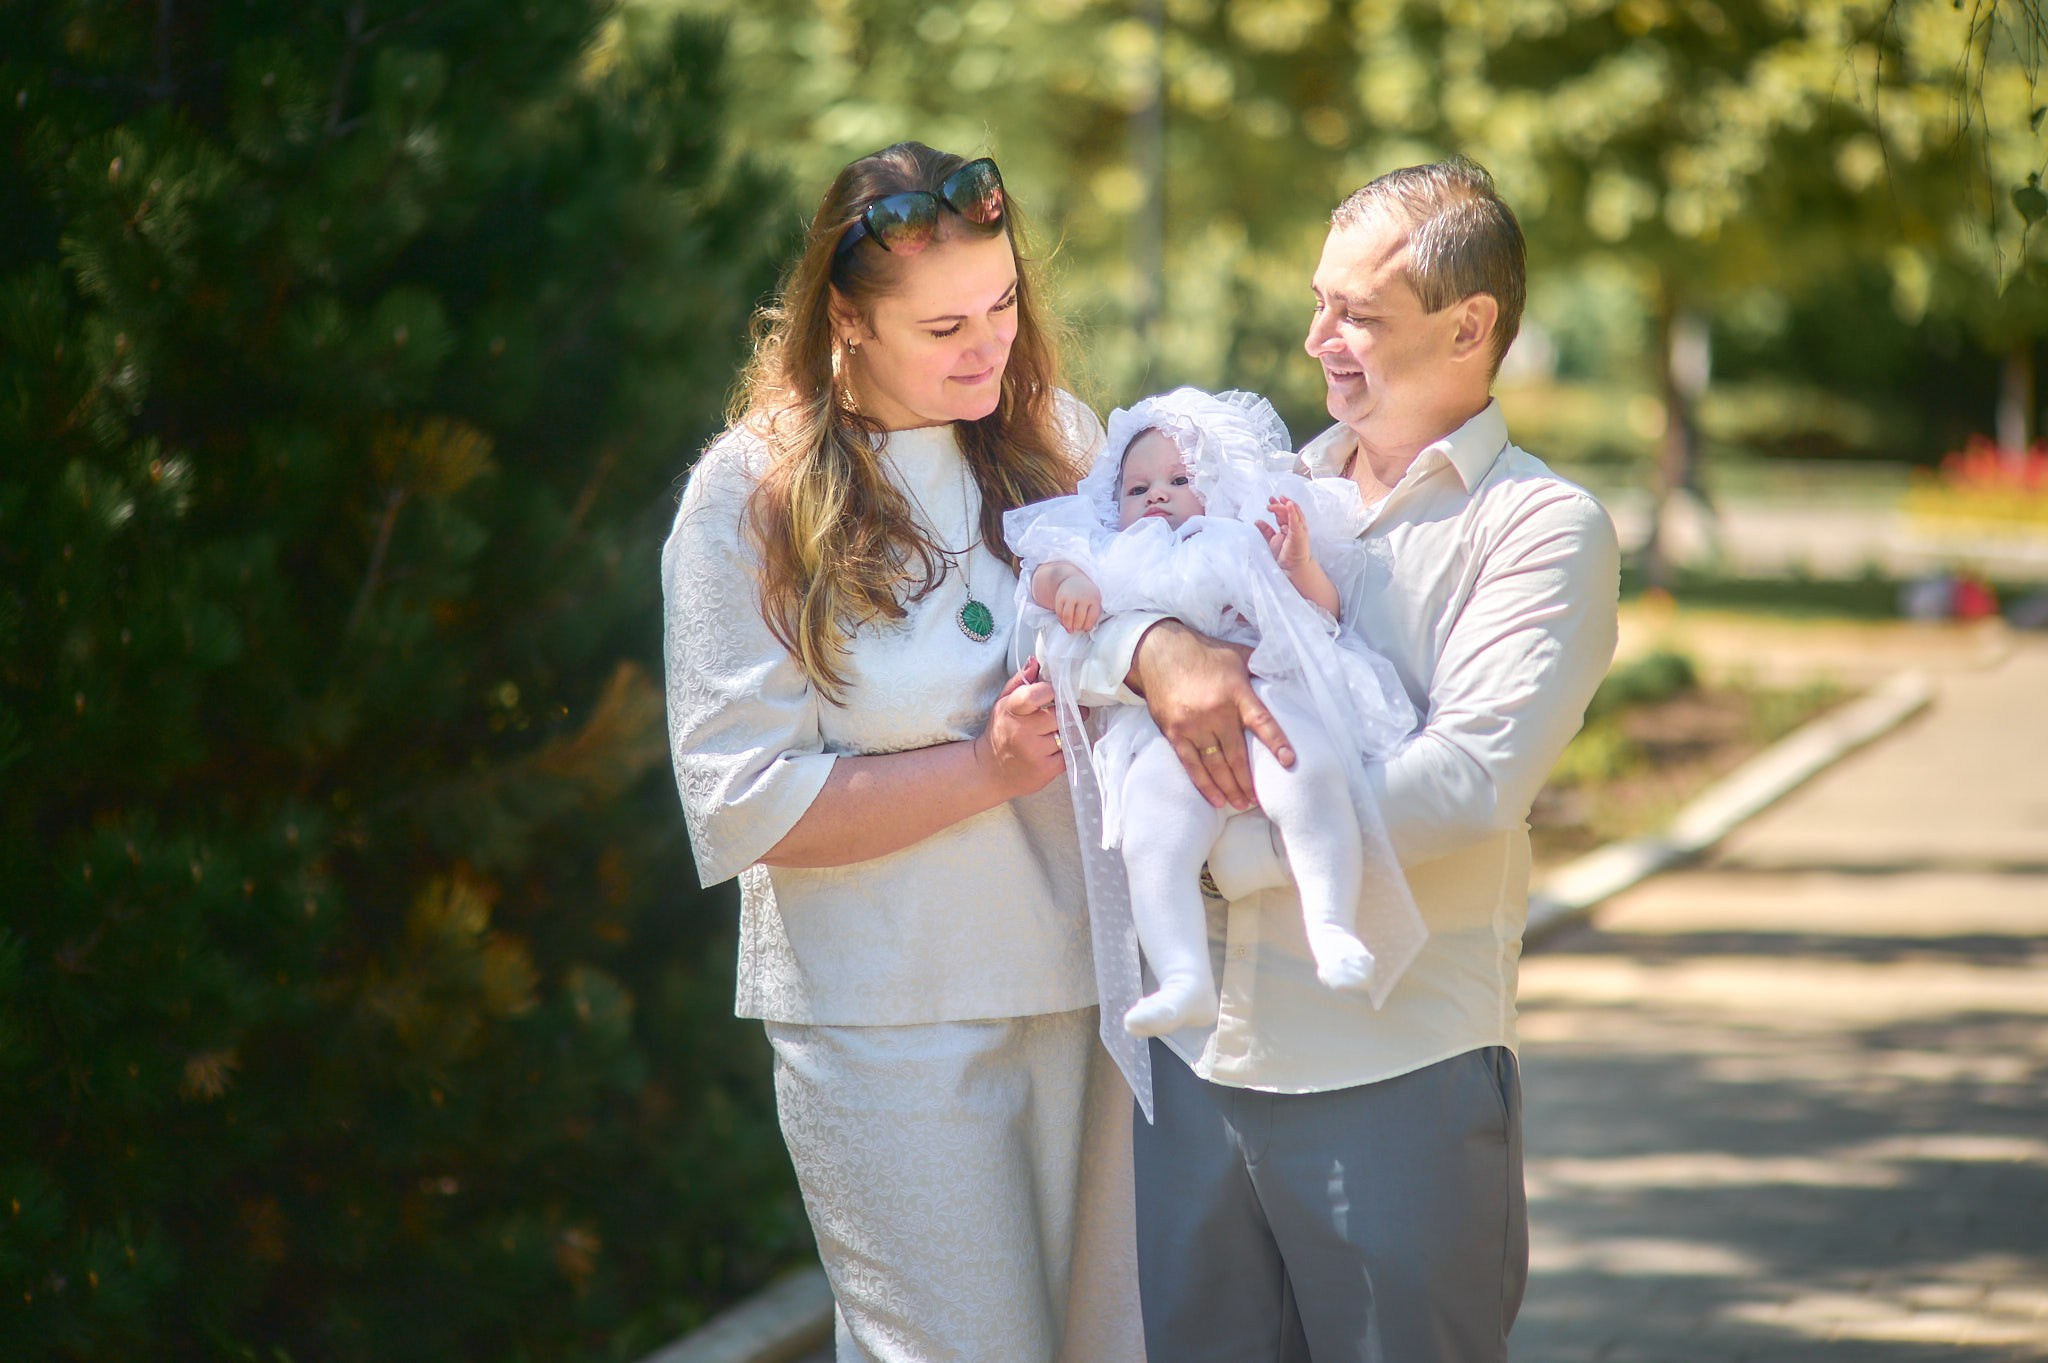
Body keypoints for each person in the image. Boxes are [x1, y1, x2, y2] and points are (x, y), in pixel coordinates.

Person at [1076, 158, 1622, 1360]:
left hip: (1394, 1066)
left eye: (1356, 314)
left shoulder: (1537, 527)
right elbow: (1091, 613)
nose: (1316, 338)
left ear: (1467, 325)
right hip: (1198, 1068)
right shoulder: (1245, 486)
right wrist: (1149, 644)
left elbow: (1466, 781)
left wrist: (1217, 862)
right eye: (1318, 301)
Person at [661, 142, 1143, 1363]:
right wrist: (983, 770)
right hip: (883, 1018)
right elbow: (741, 803)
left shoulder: (1059, 439)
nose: (984, 347)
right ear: (845, 318)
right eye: (942, 326)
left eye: (1002, 306)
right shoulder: (751, 494)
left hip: (1093, 990)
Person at [1004, 387, 1422, 1042]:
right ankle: (1181, 975)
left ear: (1217, 486)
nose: (1157, 496)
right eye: (1137, 488)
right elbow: (1044, 574)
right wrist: (1072, 589)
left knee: (1308, 776)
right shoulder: (1111, 552)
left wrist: (1299, 564)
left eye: (1178, 478)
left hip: (1271, 704)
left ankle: (1331, 921)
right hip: (1166, 738)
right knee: (1151, 825)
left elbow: (1322, 614)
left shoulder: (1234, 538)